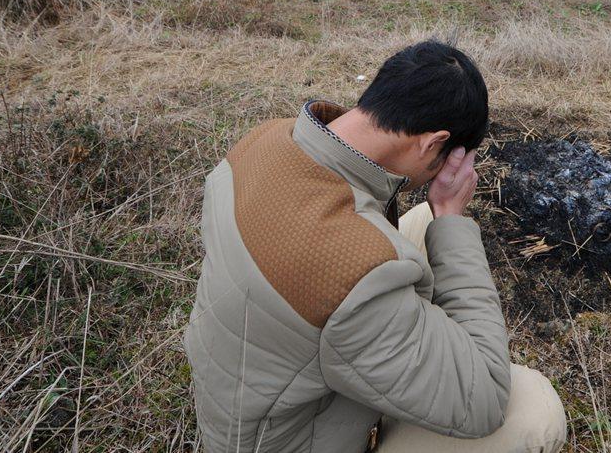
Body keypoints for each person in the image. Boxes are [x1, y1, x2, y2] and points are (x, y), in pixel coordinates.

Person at [184, 40, 567, 453]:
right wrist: (452, 216)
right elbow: (486, 398)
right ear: (432, 142)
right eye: (447, 156)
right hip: (288, 441)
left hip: (251, 389)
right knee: (531, 408)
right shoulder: (354, 279)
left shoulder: (265, 140)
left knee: (423, 221)